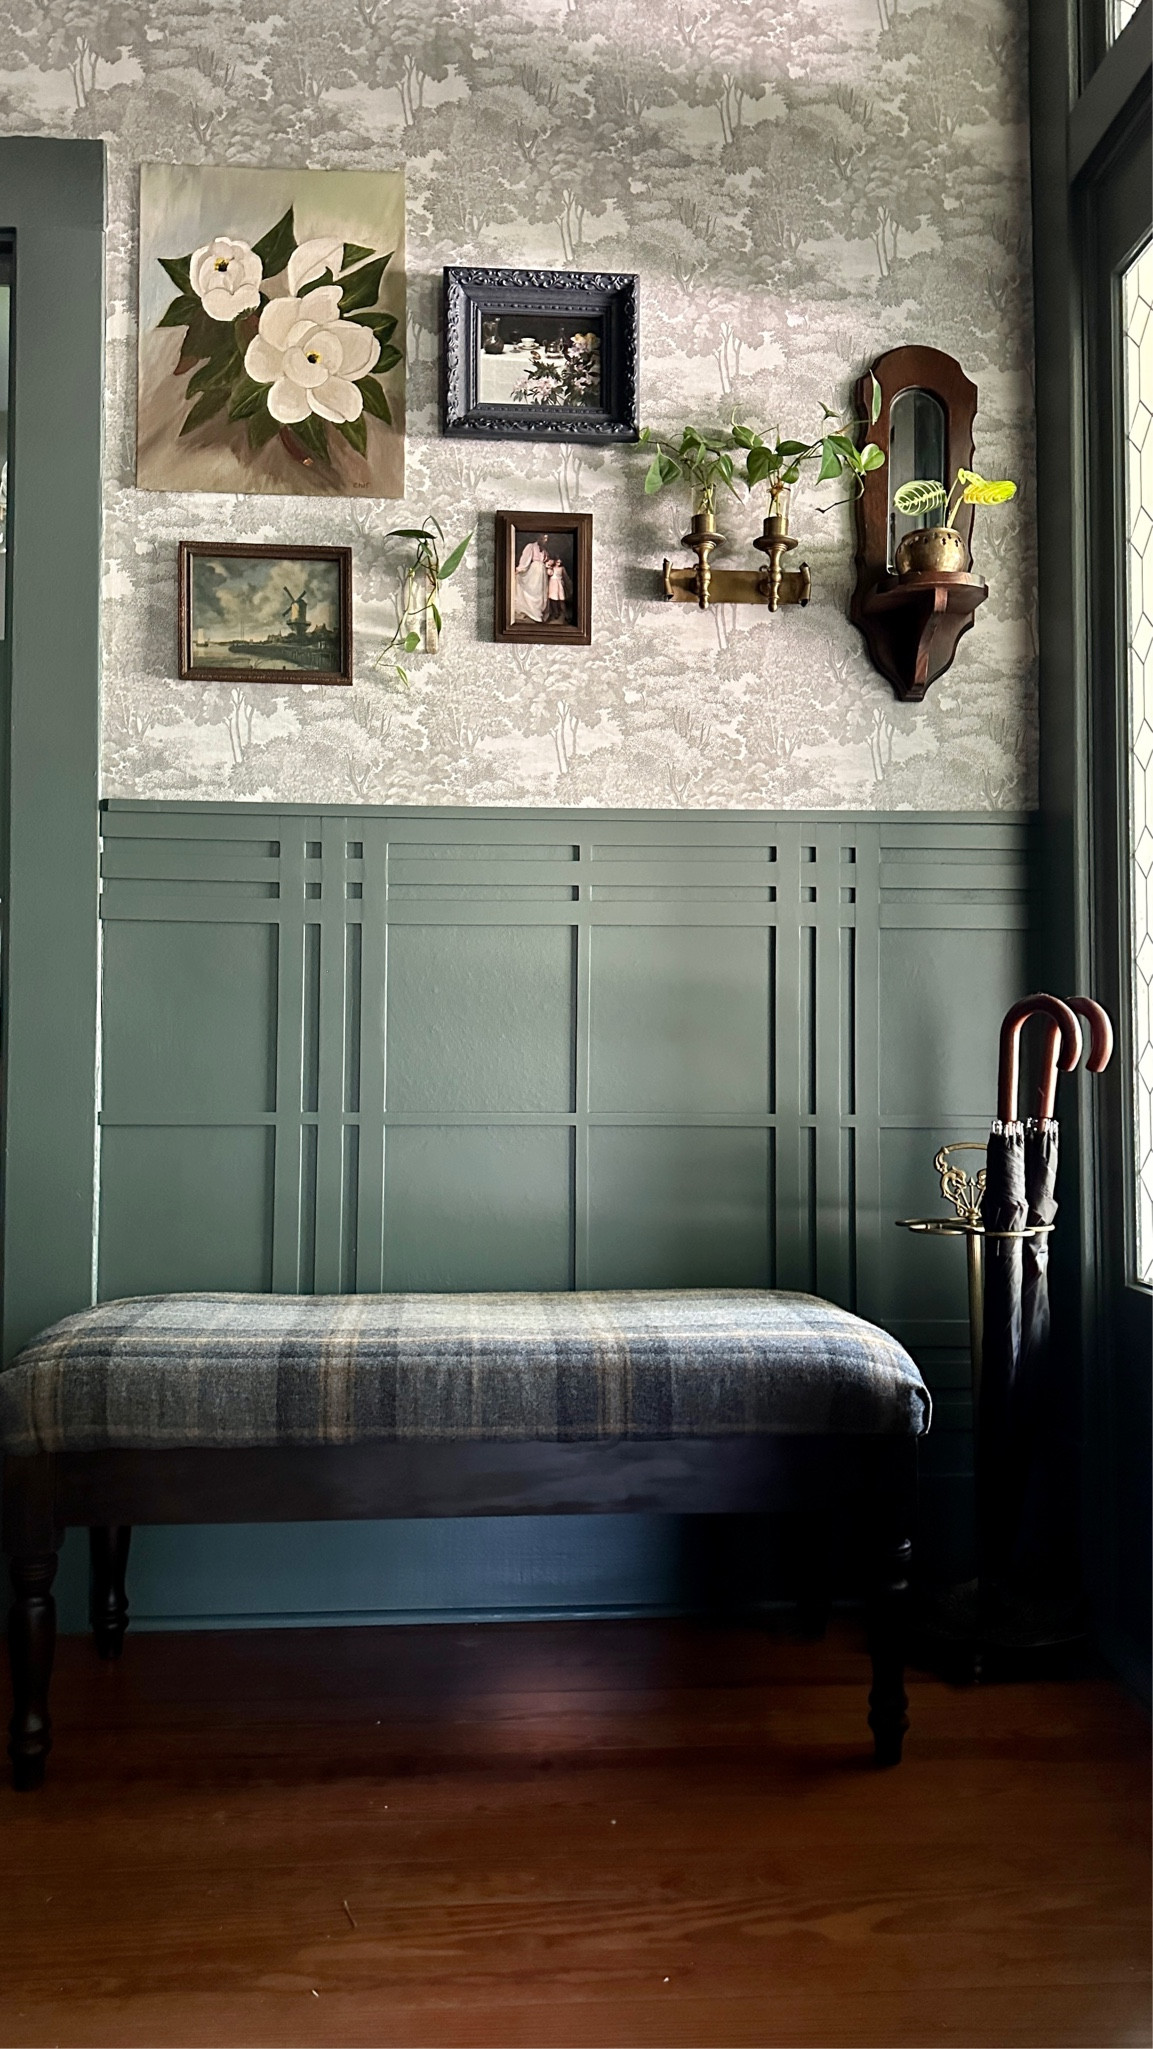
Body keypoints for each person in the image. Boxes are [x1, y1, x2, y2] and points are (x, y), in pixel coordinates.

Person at [513, 535, 549, 622]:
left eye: (546, 539)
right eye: (544, 538)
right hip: (534, 571)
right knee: (534, 591)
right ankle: (534, 612)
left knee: (541, 592)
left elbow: (546, 561)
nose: (545, 540)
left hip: (542, 572)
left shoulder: (544, 550)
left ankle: (539, 612)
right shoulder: (531, 546)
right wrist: (520, 569)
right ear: (539, 538)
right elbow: (525, 559)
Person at [546, 553, 571, 623]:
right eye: (557, 562)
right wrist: (549, 568)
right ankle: (555, 613)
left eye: (560, 562)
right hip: (553, 584)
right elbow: (549, 573)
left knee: (561, 600)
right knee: (553, 599)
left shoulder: (562, 568)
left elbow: (565, 576)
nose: (559, 563)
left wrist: (567, 583)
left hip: (559, 584)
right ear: (555, 561)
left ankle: (565, 614)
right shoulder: (552, 568)